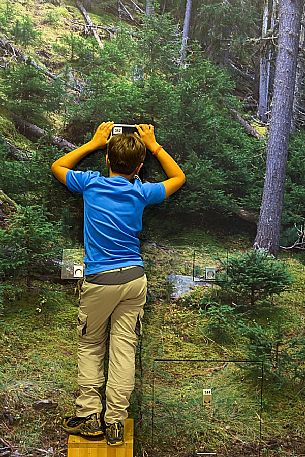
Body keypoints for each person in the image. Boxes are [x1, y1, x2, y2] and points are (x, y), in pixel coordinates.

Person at [51, 122, 186, 446]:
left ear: (107, 160)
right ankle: (115, 423)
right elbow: (178, 177)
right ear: (140, 167)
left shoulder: (90, 184)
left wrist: (94, 143)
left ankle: (88, 416)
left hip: (100, 281)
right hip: (134, 279)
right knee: (124, 348)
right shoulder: (142, 191)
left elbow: (58, 166)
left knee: (90, 344)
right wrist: (154, 145)